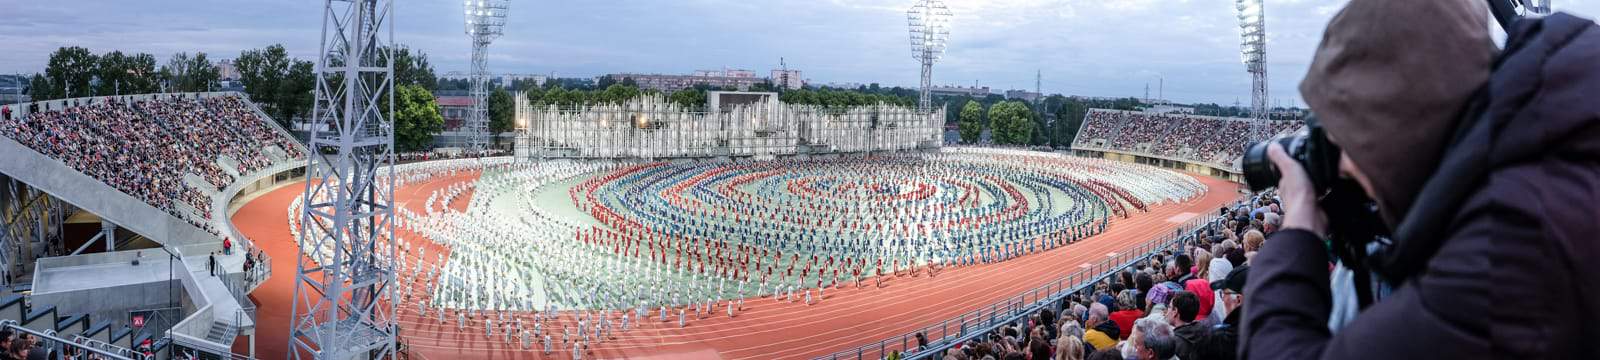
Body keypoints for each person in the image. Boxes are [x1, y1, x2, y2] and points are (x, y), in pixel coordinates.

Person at [1244, 0, 1600, 359]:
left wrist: (1298, 230)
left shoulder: (1508, 252)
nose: (1343, 167)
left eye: (1346, 141)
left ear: (1396, 133)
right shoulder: (1553, 154)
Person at [1166, 291, 1204, 360]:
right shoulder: (1205, 333)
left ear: (1175, 311)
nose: (1167, 311)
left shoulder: (1172, 344)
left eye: (1169, 307)